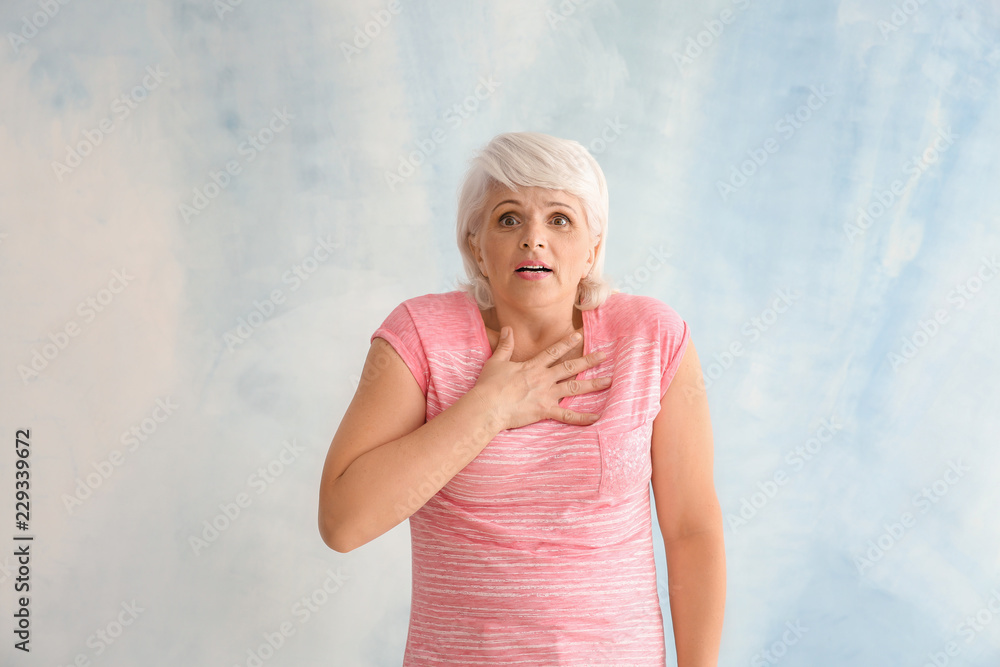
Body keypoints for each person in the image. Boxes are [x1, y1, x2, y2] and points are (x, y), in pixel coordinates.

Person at [318, 131, 725, 666]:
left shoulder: (652, 338)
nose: (534, 238)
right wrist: (489, 410)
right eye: (509, 218)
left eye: (560, 219)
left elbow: (692, 530)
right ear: (475, 247)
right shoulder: (420, 336)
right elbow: (343, 523)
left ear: (593, 250)